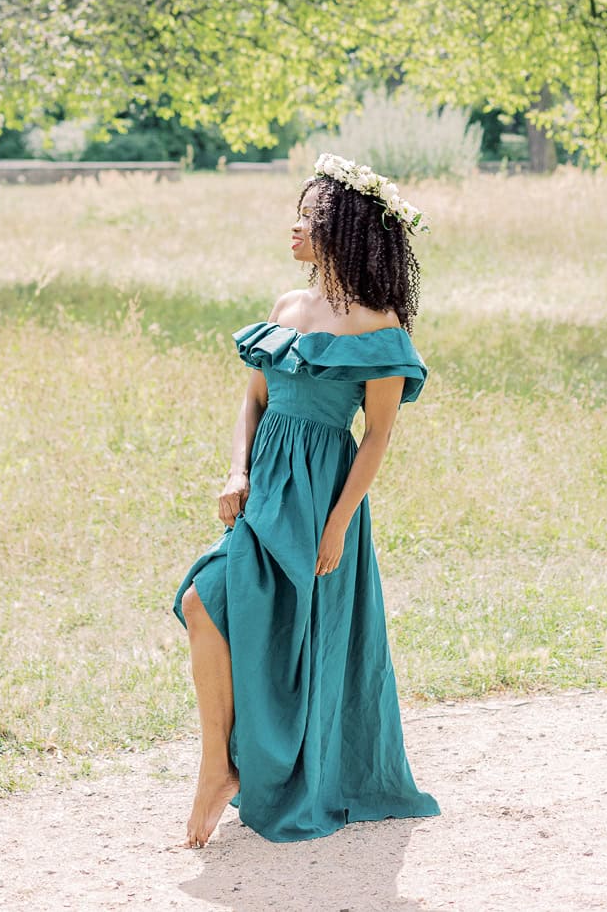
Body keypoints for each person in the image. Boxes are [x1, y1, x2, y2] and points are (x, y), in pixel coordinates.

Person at [173, 152, 442, 847]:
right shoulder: (287, 307)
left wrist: (339, 524)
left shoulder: (380, 325)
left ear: (342, 227)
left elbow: (378, 435)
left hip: (325, 497)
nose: (293, 227)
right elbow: (255, 396)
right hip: (265, 490)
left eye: (308, 216)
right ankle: (217, 766)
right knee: (206, 601)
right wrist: (237, 472)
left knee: (298, 642)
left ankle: (278, 769)